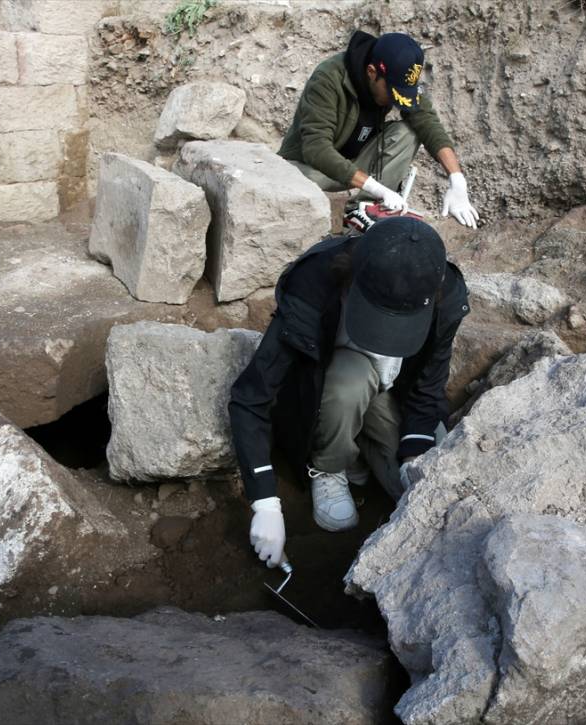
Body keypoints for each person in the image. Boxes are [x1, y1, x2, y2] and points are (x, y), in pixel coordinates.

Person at [228, 216, 470, 567]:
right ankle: (330, 464)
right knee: (350, 380)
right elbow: (252, 396)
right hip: (331, 389)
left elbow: (427, 387)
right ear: (354, 279)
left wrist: (413, 459)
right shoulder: (315, 284)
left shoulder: (443, 293)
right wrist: (265, 503)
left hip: (390, 394)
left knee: (422, 496)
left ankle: (364, 449)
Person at [278, 30, 480, 229]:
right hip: (309, 168)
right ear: (372, 72)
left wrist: (456, 178)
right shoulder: (328, 78)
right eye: (392, 93)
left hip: (355, 161)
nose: (395, 100)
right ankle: (369, 203)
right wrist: (378, 189)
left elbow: (427, 121)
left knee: (408, 133)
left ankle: (363, 213)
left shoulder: (394, 74)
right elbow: (316, 149)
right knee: (296, 179)